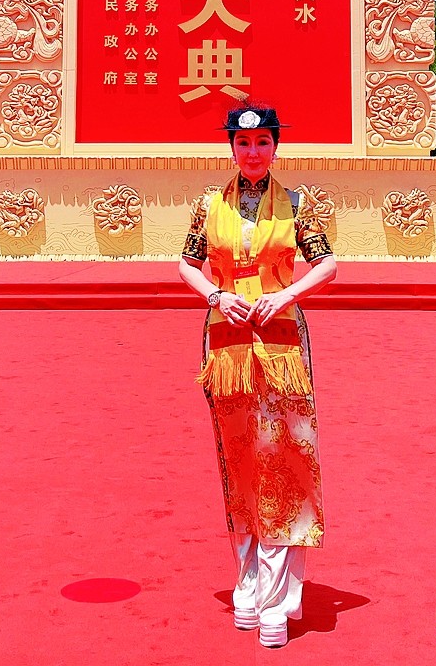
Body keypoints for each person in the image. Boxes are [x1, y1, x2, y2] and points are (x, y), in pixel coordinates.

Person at [178, 103, 337, 649]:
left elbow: (328, 264)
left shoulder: (297, 204)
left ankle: (279, 597)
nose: (253, 152)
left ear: (275, 147)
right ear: (231, 147)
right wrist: (216, 295)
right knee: (240, 457)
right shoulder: (208, 204)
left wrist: (286, 294)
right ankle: (246, 582)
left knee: (285, 460)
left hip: (282, 341)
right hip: (226, 344)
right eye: (243, 143)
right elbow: (186, 263)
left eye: (263, 143)